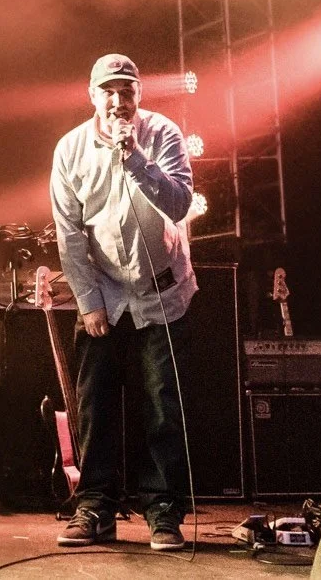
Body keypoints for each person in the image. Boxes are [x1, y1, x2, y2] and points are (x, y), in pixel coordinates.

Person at [49, 54, 197, 550]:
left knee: (163, 404)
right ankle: (96, 505)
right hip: (106, 291)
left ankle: (164, 510)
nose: (118, 101)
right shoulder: (70, 149)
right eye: (108, 91)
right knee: (96, 403)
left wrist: (134, 157)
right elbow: (70, 234)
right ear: (92, 96)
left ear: (139, 95)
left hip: (162, 289)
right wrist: (88, 302)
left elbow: (179, 204)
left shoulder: (164, 134)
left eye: (127, 91)